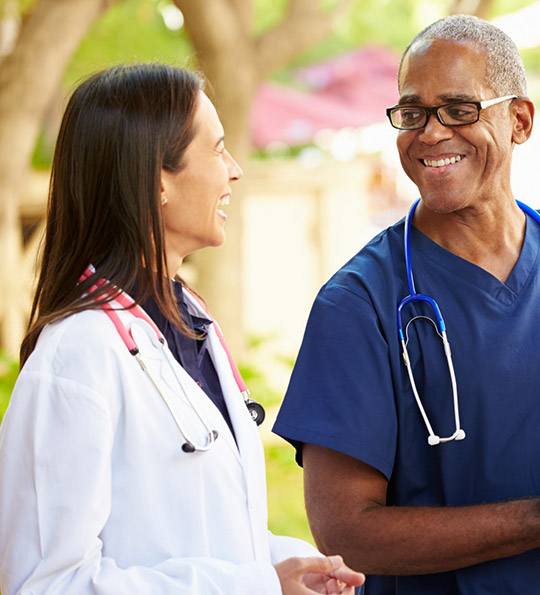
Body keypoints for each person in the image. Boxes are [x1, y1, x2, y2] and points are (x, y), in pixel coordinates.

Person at [0, 63, 365, 595]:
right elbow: (47, 584)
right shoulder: (77, 355)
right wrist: (257, 587)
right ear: (157, 177)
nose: (235, 170)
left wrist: (290, 562)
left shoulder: (187, 323)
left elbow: (200, 533)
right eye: (217, 149)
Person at [272, 13, 540, 594]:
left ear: (519, 120)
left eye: (460, 109)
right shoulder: (360, 303)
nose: (432, 132)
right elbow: (346, 532)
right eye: (413, 112)